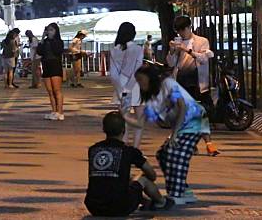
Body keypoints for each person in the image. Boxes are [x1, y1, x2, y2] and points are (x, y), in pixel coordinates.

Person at [130, 65, 208, 204]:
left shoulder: (169, 84)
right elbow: (140, 123)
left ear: (150, 78)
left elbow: (182, 107)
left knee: (175, 153)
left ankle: (177, 194)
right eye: (138, 81)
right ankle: (182, 189)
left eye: (141, 80)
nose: (140, 84)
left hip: (194, 121)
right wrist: (124, 116)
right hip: (181, 127)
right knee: (163, 154)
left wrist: (174, 134)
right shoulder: (152, 99)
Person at [85, 111, 174, 217]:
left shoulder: (93, 149)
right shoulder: (129, 151)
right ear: (124, 130)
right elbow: (152, 174)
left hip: (93, 206)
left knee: (119, 179)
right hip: (120, 206)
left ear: (104, 129)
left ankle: (146, 202)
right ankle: (161, 202)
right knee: (142, 179)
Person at [167, 16, 219, 156]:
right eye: (179, 32)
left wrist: (187, 50)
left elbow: (203, 59)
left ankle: (203, 144)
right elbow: (171, 63)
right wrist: (172, 51)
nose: (181, 34)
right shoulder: (176, 44)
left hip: (198, 83)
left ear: (189, 27)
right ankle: (202, 144)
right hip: (181, 83)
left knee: (201, 114)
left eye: (183, 31)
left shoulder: (202, 41)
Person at [110, 22, 145, 149]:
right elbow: (137, 71)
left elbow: (113, 73)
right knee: (139, 119)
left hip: (120, 83)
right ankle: (135, 149)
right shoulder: (138, 49)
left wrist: (121, 90)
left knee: (124, 120)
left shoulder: (115, 50)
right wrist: (129, 89)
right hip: (136, 85)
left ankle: (123, 147)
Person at [37, 23, 65, 121]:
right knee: (50, 91)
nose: (49, 32)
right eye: (48, 30)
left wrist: (52, 40)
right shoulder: (44, 41)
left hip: (55, 66)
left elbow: (58, 51)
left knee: (57, 90)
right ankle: (54, 111)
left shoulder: (59, 41)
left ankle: (60, 112)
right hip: (46, 66)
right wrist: (42, 38)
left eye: (52, 30)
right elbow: (39, 51)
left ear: (56, 31)